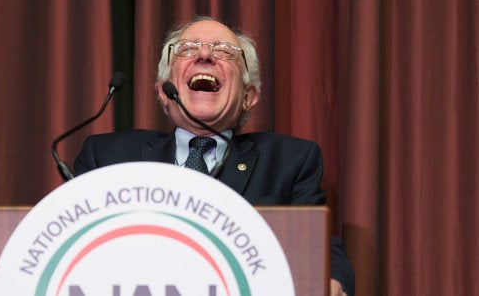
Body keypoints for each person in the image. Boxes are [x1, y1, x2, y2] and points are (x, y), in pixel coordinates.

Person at [74, 16, 355, 296]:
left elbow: (319, 247)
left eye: (224, 51)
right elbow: (73, 243)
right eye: (187, 48)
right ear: (163, 91)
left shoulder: (289, 161)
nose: (205, 55)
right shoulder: (108, 158)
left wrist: (331, 279)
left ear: (249, 96)